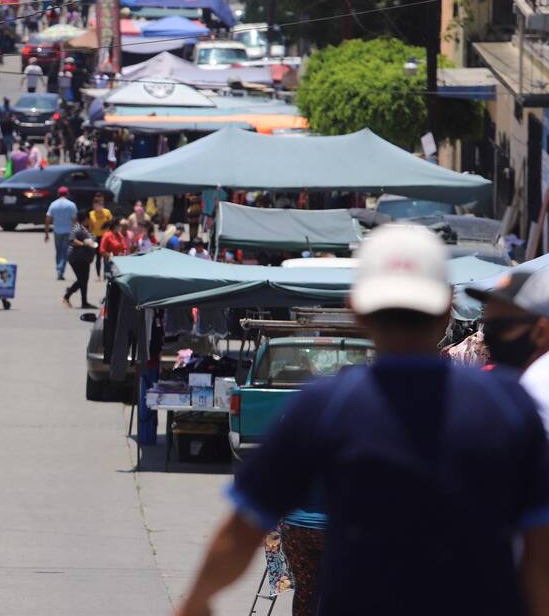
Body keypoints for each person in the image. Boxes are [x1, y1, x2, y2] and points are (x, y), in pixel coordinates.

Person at [174, 224, 549, 616]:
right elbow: (539, 550)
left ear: (356, 309)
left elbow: (242, 529)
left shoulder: (324, 407)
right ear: (445, 309)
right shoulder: (508, 404)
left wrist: (195, 602)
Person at [467, 269, 549, 434]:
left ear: (541, 331)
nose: (488, 337)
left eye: (502, 326)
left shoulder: (536, 390)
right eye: (487, 325)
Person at [62, 215, 97, 309]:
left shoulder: (89, 229)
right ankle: (67, 296)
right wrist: (84, 244)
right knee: (81, 279)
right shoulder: (77, 228)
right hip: (76, 258)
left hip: (86, 259)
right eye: (90, 219)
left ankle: (84, 302)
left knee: (84, 280)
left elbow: (93, 243)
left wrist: (92, 256)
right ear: (86, 219)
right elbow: (72, 240)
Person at [85, 193, 113, 279]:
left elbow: (111, 223)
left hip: (106, 237)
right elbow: (89, 227)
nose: (99, 206)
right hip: (96, 237)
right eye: (96, 204)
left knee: (106, 256)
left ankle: (106, 274)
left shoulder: (107, 212)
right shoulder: (91, 214)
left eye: (101, 204)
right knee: (98, 257)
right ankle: (98, 275)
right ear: (94, 205)